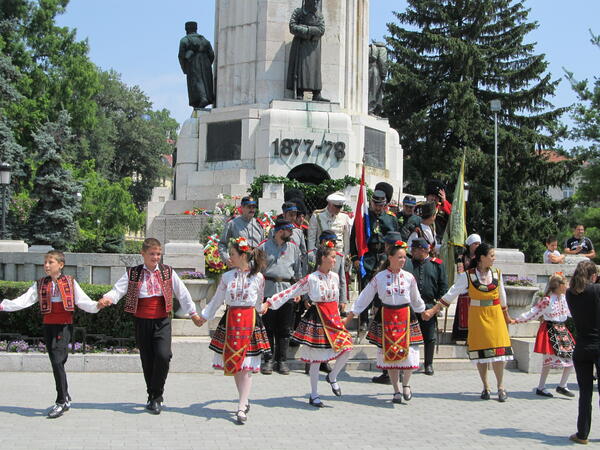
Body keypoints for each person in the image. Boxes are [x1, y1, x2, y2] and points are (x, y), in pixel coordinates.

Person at [97, 238, 202, 414]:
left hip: (162, 320)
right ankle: (152, 396)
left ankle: (157, 394)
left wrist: (193, 313)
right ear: (143, 254)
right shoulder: (134, 273)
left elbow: (182, 293)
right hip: (142, 320)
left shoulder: (168, 272)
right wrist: (107, 298)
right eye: (152, 254)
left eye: (158, 254)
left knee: (163, 355)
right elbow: (118, 290)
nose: (156, 257)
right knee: (148, 359)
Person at [0, 250, 100, 419]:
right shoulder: (40, 284)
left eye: (50, 262)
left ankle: (61, 401)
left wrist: (97, 305)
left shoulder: (70, 282)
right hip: (49, 326)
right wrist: (4, 306)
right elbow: (25, 300)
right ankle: (65, 396)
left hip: (64, 326)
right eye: (45, 262)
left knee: (57, 360)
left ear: (60, 265)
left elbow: (82, 301)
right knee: (57, 360)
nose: (46, 265)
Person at [423, 242, 514, 402]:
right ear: (481, 258)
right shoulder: (468, 276)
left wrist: (507, 316)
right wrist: (433, 310)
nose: (494, 259)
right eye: (491, 256)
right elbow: (452, 293)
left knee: (500, 354)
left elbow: (502, 296)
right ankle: (486, 386)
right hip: (478, 318)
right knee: (482, 353)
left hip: (496, 316)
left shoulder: (497, 274)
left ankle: (501, 387)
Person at [263, 246, 353, 408]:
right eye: (332, 257)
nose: (334, 260)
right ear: (323, 258)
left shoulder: (334, 277)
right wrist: (270, 302)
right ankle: (314, 394)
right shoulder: (311, 278)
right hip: (318, 317)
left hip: (333, 318)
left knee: (347, 348)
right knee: (316, 358)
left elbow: (337, 298)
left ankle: (332, 376)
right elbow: (291, 291)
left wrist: (341, 315)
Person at [195, 238, 270, 424]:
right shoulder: (227, 277)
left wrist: (263, 307)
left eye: (233, 254)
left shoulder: (258, 277)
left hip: (249, 322)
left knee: (246, 367)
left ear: (243, 256)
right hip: (231, 321)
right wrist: (204, 315)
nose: (230, 257)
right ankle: (243, 400)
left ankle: (241, 405)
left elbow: (258, 301)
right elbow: (217, 299)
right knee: (236, 364)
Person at [345, 241, 427, 404]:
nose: (403, 260)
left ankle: (406, 384)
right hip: (387, 316)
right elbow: (365, 296)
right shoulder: (380, 277)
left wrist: (423, 311)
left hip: (406, 316)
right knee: (391, 355)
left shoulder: (409, 277)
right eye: (400, 257)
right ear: (390, 258)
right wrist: (352, 314)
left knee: (411, 353)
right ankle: (396, 390)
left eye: (404, 257)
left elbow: (416, 298)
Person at [512, 273, 575, 398]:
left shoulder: (563, 298)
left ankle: (562, 385)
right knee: (548, 360)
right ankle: (541, 387)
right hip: (550, 329)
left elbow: (570, 312)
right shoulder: (547, 300)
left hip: (561, 329)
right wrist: (518, 320)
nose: (567, 286)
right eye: (565, 283)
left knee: (572, 357)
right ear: (559, 285)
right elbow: (534, 312)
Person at [258, 219, 302, 375]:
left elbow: (297, 273)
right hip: (268, 290)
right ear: (279, 231)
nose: (291, 233)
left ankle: (282, 360)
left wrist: (297, 292)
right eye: (288, 230)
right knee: (268, 327)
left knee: (284, 329)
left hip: (286, 291)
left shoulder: (294, 249)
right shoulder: (264, 247)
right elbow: (257, 271)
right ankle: (268, 360)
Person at [350, 189, 398, 330]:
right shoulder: (363, 217)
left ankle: (379, 319)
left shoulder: (391, 218)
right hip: (367, 255)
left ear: (385, 204)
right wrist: (355, 258)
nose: (378, 207)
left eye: (380, 205)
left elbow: (395, 238)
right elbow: (354, 239)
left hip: (384, 255)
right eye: (375, 204)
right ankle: (364, 320)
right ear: (371, 203)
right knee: (365, 289)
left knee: (383, 289)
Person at [565, 261, 600, 445]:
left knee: (585, 393)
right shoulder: (596, 290)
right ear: (593, 276)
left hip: (582, 347)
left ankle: (582, 434)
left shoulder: (570, 293)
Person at [411, 238, 448, 375]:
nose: (411, 252)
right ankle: (408, 362)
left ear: (423, 250)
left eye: (414, 250)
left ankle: (428, 363)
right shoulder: (409, 263)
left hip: (429, 305)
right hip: (411, 305)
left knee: (429, 336)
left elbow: (443, 285)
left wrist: (438, 305)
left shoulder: (436, 264)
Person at [286, 0, 327, 101]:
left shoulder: (319, 15)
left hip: (314, 47)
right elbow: (292, 27)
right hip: (301, 46)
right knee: (301, 69)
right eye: (314, 1)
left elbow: (321, 30)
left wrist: (307, 29)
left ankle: (316, 93)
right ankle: (299, 92)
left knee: (315, 70)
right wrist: (307, 31)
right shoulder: (298, 12)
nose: (316, 3)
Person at [178, 21, 215, 109]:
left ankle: (202, 99)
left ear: (186, 29)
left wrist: (185, 68)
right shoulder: (204, 40)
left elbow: (181, 56)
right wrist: (207, 64)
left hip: (193, 63)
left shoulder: (185, 40)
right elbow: (212, 54)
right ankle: (204, 99)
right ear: (196, 28)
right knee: (206, 81)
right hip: (206, 62)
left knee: (196, 81)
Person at [218, 196, 265, 266]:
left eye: (254, 207)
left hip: (256, 266)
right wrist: (226, 259)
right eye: (249, 207)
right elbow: (222, 244)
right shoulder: (233, 223)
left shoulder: (259, 224)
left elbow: (263, 246)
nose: (252, 209)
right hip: (238, 266)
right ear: (242, 208)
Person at [452, 233, 481, 341]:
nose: (477, 246)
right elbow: (460, 271)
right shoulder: (462, 257)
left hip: (477, 286)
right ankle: (461, 337)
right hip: (465, 285)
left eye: (479, 244)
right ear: (470, 245)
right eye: (475, 244)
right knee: (463, 312)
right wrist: (465, 282)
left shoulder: (480, 257)